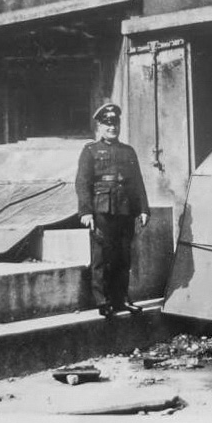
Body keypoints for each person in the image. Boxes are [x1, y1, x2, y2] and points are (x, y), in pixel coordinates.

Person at [75, 103, 150, 318]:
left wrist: (144, 209)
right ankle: (103, 301)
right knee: (102, 257)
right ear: (99, 126)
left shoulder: (128, 151)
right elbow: (82, 182)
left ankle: (122, 300)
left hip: (125, 209)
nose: (112, 127)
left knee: (123, 257)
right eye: (107, 123)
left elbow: (137, 182)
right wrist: (86, 212)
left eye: (115, 123)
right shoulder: (90, 150)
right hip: (102, 210)